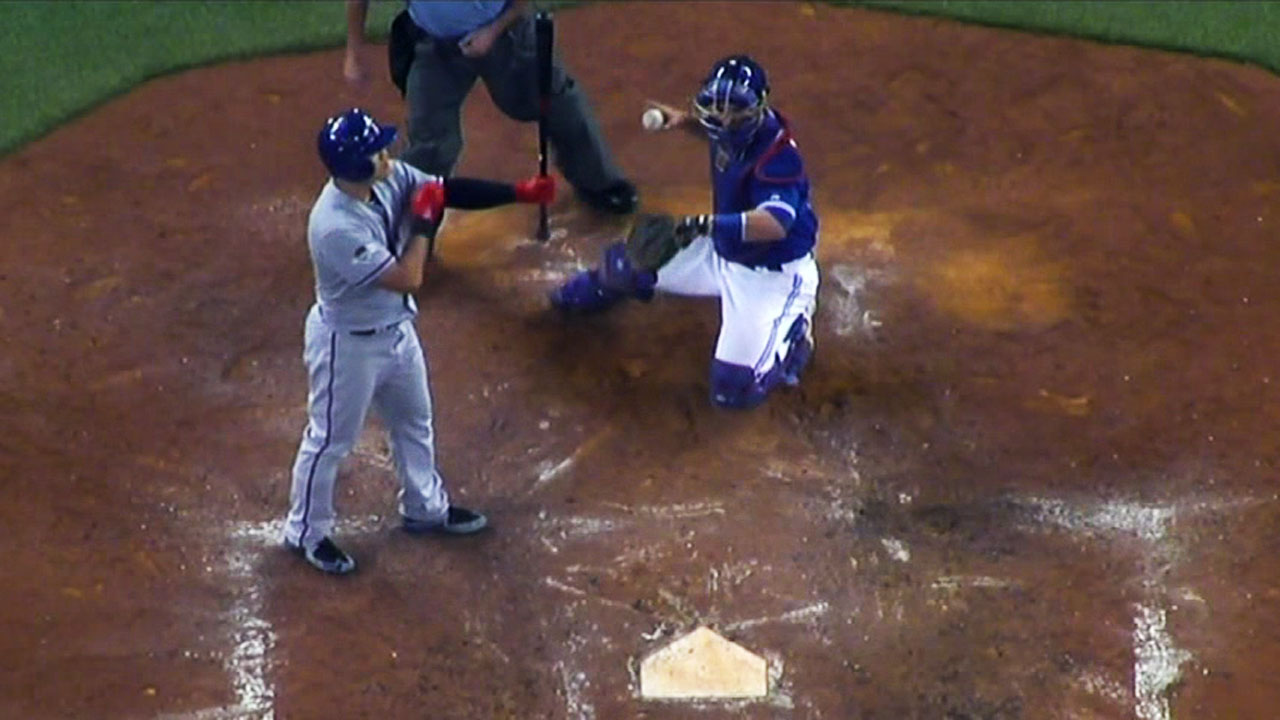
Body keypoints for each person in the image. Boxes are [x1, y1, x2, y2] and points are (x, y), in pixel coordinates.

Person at [284, 107, 555, 575]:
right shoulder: (334, 226)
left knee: (414, 421)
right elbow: (409, 275)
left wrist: (519, 193)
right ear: (355, 166)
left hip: (395, 331)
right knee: (331, 440)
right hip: (348, 345)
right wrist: (426, 223)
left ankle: (425, 508)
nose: (387, 155)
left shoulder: (386, 178)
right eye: (376, 151)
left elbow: (442, 190)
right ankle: (305, 532)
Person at [549, 55, 820, 410]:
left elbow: (774, 224)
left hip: (771, 275)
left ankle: (793, 338)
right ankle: (602, 288)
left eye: (733, 111)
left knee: (733, 392)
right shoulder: (731, 127)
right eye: (716, 110)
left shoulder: (779, 157)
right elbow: (715, 127)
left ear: (756, 110)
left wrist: (705, 225)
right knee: (628, 263)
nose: (722, 119)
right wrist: (682, 121)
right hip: (724, 249)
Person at [344, 0, 638, 214]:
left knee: (553, 100)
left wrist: (493, 32)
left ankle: (599, 181)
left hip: (506, 33)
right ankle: (416, 221)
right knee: (430, 137)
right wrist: (354, 52)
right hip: (433, 46)